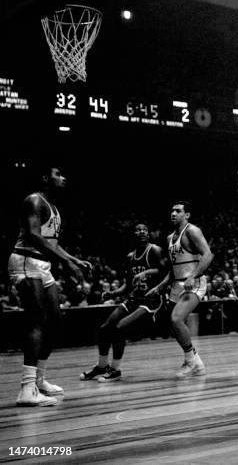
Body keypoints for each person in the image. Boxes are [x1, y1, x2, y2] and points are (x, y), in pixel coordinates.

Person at [7, 166, 91, 406]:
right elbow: (34, 236)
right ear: (45, 178)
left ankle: (39, 380)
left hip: (43, 266)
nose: (63, 177)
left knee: (56, 320)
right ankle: (26, 388)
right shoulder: (35, 201)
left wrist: (72, 259)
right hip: (25, 260)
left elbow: (51, 242)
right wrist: (67, 261)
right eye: (58, 174)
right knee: (37, 320)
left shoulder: (53, 207)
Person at [80, 223, 164, 382]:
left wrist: (146, 272)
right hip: (133, 299)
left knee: (119, 329)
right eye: (138, 230)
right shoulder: (129, 257)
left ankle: (115, 370)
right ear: (133, 234)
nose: (141, 232)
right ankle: (101, 366)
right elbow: (127, 285)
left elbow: (163, 271)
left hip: (151, 301)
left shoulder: (155, 250)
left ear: (148, 233)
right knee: (104, 329)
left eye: (145, 229)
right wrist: (113, 292)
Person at [147, 201, 213, 377]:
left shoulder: (192, 231)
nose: (173, 213)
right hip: (177, 284)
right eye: (172, 210)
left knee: (176, 319)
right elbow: (173, 269)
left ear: (187, 215)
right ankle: (195, 362)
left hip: (194, 282)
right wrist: (160, 286)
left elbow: (208, 255)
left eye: (178, 211)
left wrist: (193, 276)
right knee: (174, 324)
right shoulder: (169, 238)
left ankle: (192, 362)